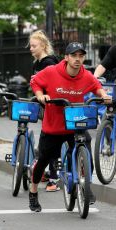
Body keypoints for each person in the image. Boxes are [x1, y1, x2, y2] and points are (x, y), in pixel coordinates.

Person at [29, 42, 111, 212]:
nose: (78, 59)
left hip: (75, 124)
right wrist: (40, 95)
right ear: (66, 58)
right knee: (44, 159)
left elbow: (96, 86)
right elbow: (35, 82)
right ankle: (33, 191)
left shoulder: (85, 74)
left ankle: (85, 186)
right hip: (53, 126)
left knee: (86, 150)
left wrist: (103, 95)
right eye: (74, 55)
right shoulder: (52, 72)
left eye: (81, 56)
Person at [29, 30, 60, 192]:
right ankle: (45, 172)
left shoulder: (49, 62)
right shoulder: (37, 63)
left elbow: (53, 84)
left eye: (34, 46)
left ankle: (53, 179)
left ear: (43, 45)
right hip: (44, 107)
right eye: (30, 46)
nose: (31, 48)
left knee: (51, 143)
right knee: (46, 143)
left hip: (54, 108)